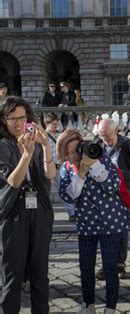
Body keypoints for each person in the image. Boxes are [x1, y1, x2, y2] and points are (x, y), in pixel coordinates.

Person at [57, 129, 130, 313]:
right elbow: (68, 196)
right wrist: (81, 172)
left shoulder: (100, 158)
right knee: (86, 266)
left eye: (76, 150)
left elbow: (114, 185)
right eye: (68, 152)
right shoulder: (67, 169)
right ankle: (88, 303)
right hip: (86, 223)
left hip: (111, 221)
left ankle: (110, 307)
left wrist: (95, 166)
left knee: (110, 267)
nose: (73, 155)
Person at [0, 96, 56, 313]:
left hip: (39, 211)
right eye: (11, 118)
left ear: (28, 118)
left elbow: (49, 174)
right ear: (3, 120)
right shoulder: (3, 145)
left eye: (21, 117)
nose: (17, 122)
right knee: (12, 276)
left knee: (40, 275)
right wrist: (27, 154)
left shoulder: (36, 141)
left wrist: (46, 146)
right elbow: (14, 181)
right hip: (14, 213)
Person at [96, 118, 130, 279]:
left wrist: (117, 174)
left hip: (124, 193)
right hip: (104, 194)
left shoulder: (127, 145)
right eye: (102, 136)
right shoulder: (98, 145)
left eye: (108, 136)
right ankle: (107, 264)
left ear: (115, 131)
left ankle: (120, 265)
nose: (105, 140)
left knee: (121, 230)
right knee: (105, 231)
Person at [44, 113, 78, 221]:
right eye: (53, 124)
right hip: (46, 167)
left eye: (56, 124)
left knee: (64, 190)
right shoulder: (43, 137)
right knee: (44, 192)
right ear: (47, 124)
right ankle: (44, 215)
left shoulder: (58, 135)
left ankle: (72, 213)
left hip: (58, 167)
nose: (55, 126)